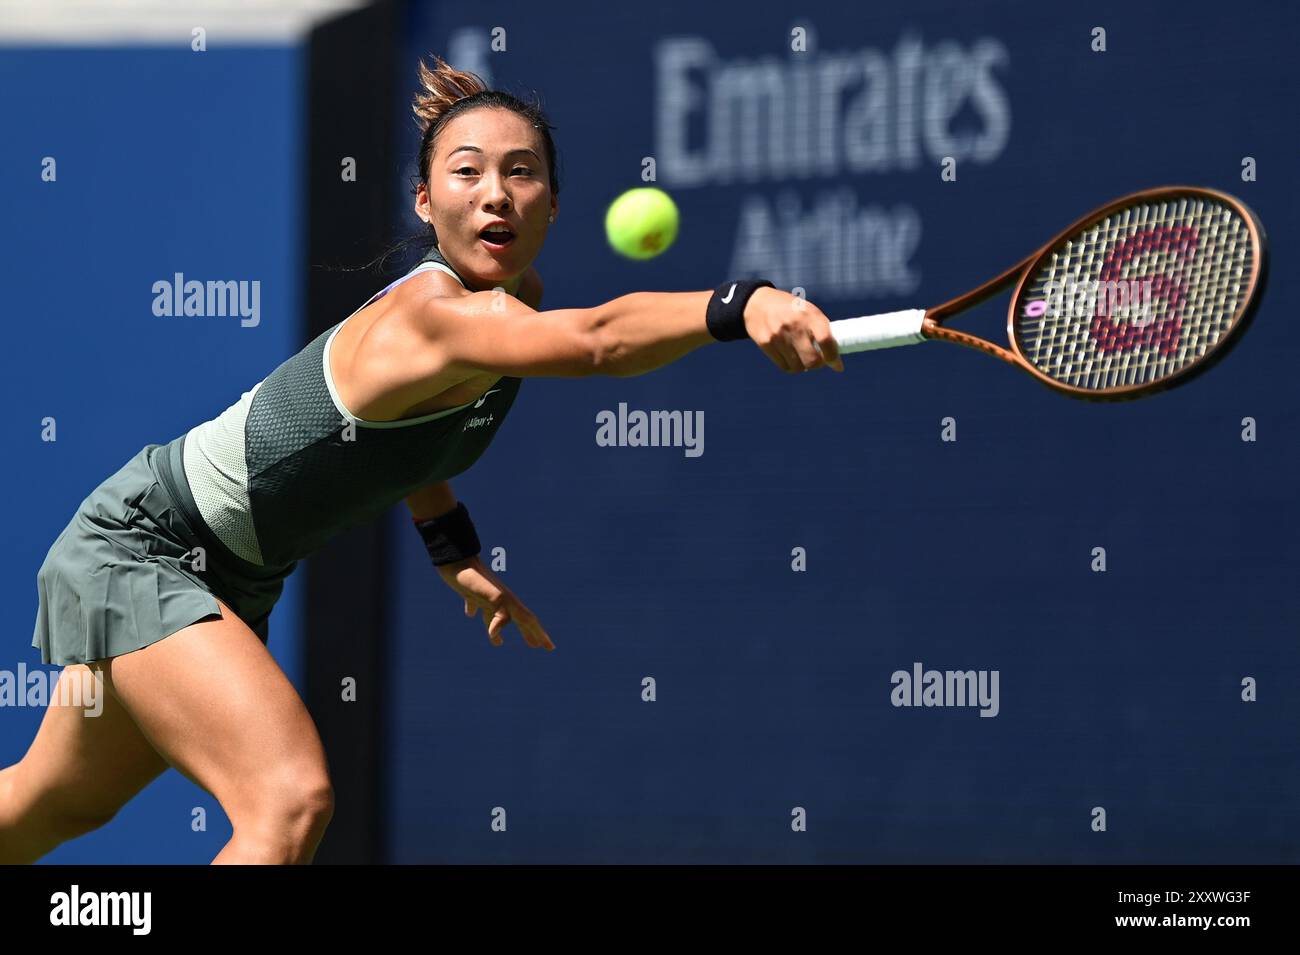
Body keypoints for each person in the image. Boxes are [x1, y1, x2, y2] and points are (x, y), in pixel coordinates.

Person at [0, 55, 843, 865]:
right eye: (467, 173)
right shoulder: (433, 316)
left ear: (553, 203)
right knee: (288, 801)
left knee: (42, 808)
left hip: (229, 576)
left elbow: (406, 444)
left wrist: (453, 551)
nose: (496, 194)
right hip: (142, 548)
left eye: (522, 173)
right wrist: (739, 302)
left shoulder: (510, 311)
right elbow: (597, 341)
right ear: (425, 201)